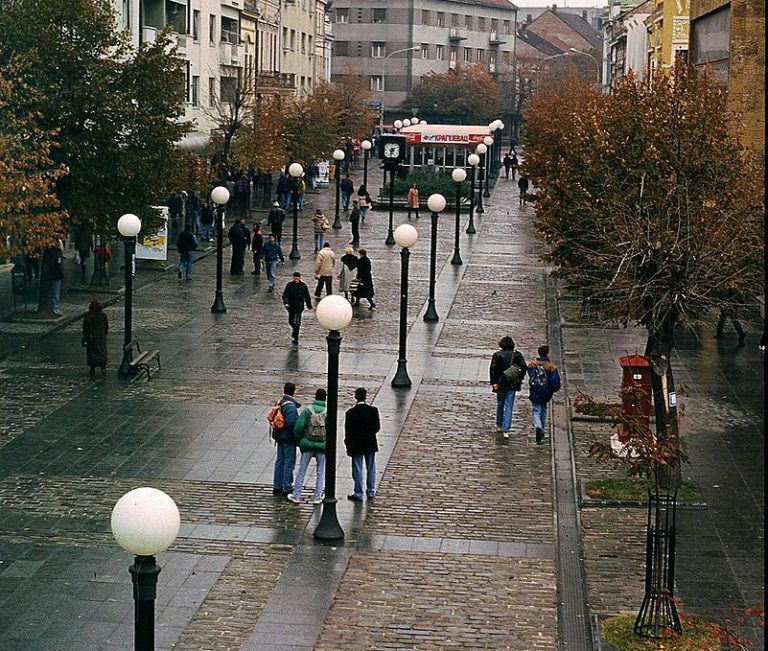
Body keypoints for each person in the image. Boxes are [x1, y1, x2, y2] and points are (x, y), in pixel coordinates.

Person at [287, 388, 328, 505]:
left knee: (302, 470)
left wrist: (300, 440)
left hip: (308, 444)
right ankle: (317, 497)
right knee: (320, 472)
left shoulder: (307, 411)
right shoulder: (327, 411)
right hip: (321, 445)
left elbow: (299, 427)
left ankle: (296, 495)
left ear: (315, 397)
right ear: (325, 398)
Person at [344, 387, 381, 501]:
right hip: (370, 442)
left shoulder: (350, 413)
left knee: (357, 468)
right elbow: (377, 427)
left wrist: (348, 442)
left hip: (356, 443)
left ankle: (358, 493)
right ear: (365, 397)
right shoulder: (373, 411)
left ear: (355, 397)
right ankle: (370, 491)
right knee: (371, 467)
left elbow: (348, 430)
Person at [489, 336, 527, 438]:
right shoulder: (517, 355)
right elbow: (523, 368)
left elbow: (493, 370)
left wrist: (494, 382)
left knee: (500, 403)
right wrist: (518, 379)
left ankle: (499, 425)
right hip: (512, 384)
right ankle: (506, 430)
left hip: (500, 384)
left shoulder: (497, 355)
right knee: (509, 406)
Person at [527, 345, 561, 444]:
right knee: (544, 408)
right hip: (546, 391)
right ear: (547, 353)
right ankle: (541, 428)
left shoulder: (532, 365)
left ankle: (538, 426)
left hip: (535, 390)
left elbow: (530, 375)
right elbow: (554, 381)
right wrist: (554, 389)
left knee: (536, 409)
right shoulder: (550, 366)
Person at [272, 382, 301, 495]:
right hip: (288, 438)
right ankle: (286, 486)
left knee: (279, 461)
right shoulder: (290, 406)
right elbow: (291, 423)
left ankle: (277, 485)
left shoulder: (280, 402)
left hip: (279, 436)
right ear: (294, 391)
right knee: (289, 462)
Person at [282, 271, 313, 344]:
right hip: (291, 306)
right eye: (295, 278)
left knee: (297, 322)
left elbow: (306, 296)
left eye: (297, 278)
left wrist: (309, 305)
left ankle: (296, 337)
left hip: (299, 306)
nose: (296, 279)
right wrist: (286, 302)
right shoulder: (289, 285)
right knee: (291, 321)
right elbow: (285, 295)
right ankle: (295, 331)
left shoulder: (303, 286)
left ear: (299, 278)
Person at [82, 299, 108, 377]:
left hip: (91, 338)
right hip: (101, 337)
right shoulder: (103, 315)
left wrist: (85, 337)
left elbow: (85, 327)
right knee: (101, 351)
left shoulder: (88, 315)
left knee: (91, 353)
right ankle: (103, 367)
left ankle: (92, 369)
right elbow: (106, 326)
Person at [41, 239, 64, 316]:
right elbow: (58, 264)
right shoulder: (57, 253)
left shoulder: (49, 251)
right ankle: (55, 307)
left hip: (53, 274)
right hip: (55, 274)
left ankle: (54, 307)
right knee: (55, 291)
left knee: (54, 291)